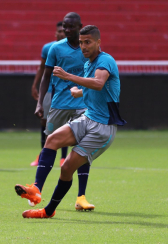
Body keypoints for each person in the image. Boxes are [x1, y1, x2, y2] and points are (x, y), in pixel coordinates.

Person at [18, 25, 125, 218]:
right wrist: (80, 91)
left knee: (67, 167)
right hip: (88, 118)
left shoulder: (105, 60)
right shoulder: (88, 63)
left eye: (88, 42)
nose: (83, 46)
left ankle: (48, 211)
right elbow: (98, 86)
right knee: (51, 140)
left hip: (102, 128)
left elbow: (99, 83)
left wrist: (68, 76)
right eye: (82, 42)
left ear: (98, 42)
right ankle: (35, 189)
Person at [16, 12, 95, 211]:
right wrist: (40, 103)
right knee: (49, 145)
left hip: (82, 106)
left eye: (71, 27)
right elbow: (45, 76)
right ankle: (36, 190)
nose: (67, 30)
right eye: (65, 27)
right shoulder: (55, 48)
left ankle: (81, 197)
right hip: (58, 105)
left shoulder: (89, 49)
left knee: (82, 148)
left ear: (80, 27)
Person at [30, 21, 68, 167]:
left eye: (63, 31)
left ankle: (63, 158)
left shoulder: (74, 49)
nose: (61, 34)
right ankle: (41, 155)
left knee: (64, 123)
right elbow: (42, 69)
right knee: (45, 122)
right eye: (59, 31)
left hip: (64, 91)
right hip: (49, 91)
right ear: (55, 33)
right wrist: (35, 85)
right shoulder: (48, 48)